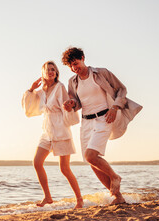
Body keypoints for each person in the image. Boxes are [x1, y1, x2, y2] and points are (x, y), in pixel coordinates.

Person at [62, 47, 142, 204]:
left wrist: (114, 108)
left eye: (76, 63)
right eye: (71, 65)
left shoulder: (101, 73)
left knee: (90, 156)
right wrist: (71, 104)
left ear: (83, 58)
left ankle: (115, 176)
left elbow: (121, 90)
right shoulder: (73, 82)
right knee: (92, 162)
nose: (74, 68)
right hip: (86, 121)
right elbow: (77, 103)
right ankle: (118, 197)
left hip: (105, 117)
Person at [22, 61, 83, 208]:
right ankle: (48, 197)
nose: (51, 72)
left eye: (53, 69)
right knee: (37, 162)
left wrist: (69, 107)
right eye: (48, 69)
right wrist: (31, 88)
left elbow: (67, 106)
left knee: (65, 169)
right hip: (47, 131)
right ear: (43, 73)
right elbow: (29, 105)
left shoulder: (60, 87)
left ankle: (79, 199)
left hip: (61, 129)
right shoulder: (41, 91)